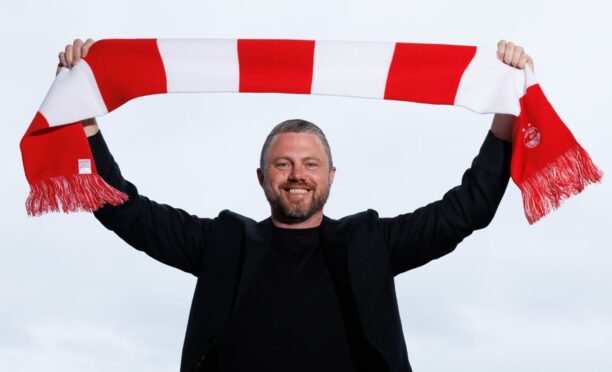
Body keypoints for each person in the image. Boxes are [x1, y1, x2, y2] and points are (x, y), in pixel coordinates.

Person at [58, 39, 533, 372]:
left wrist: (505, 118)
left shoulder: (371, 242)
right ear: (263, 177)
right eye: (283, 164)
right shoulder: (222, 242)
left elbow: (465, 210)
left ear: (330, 175)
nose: (297, 174)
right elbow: (123, 210)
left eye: (310, 163)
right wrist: (85, 123)